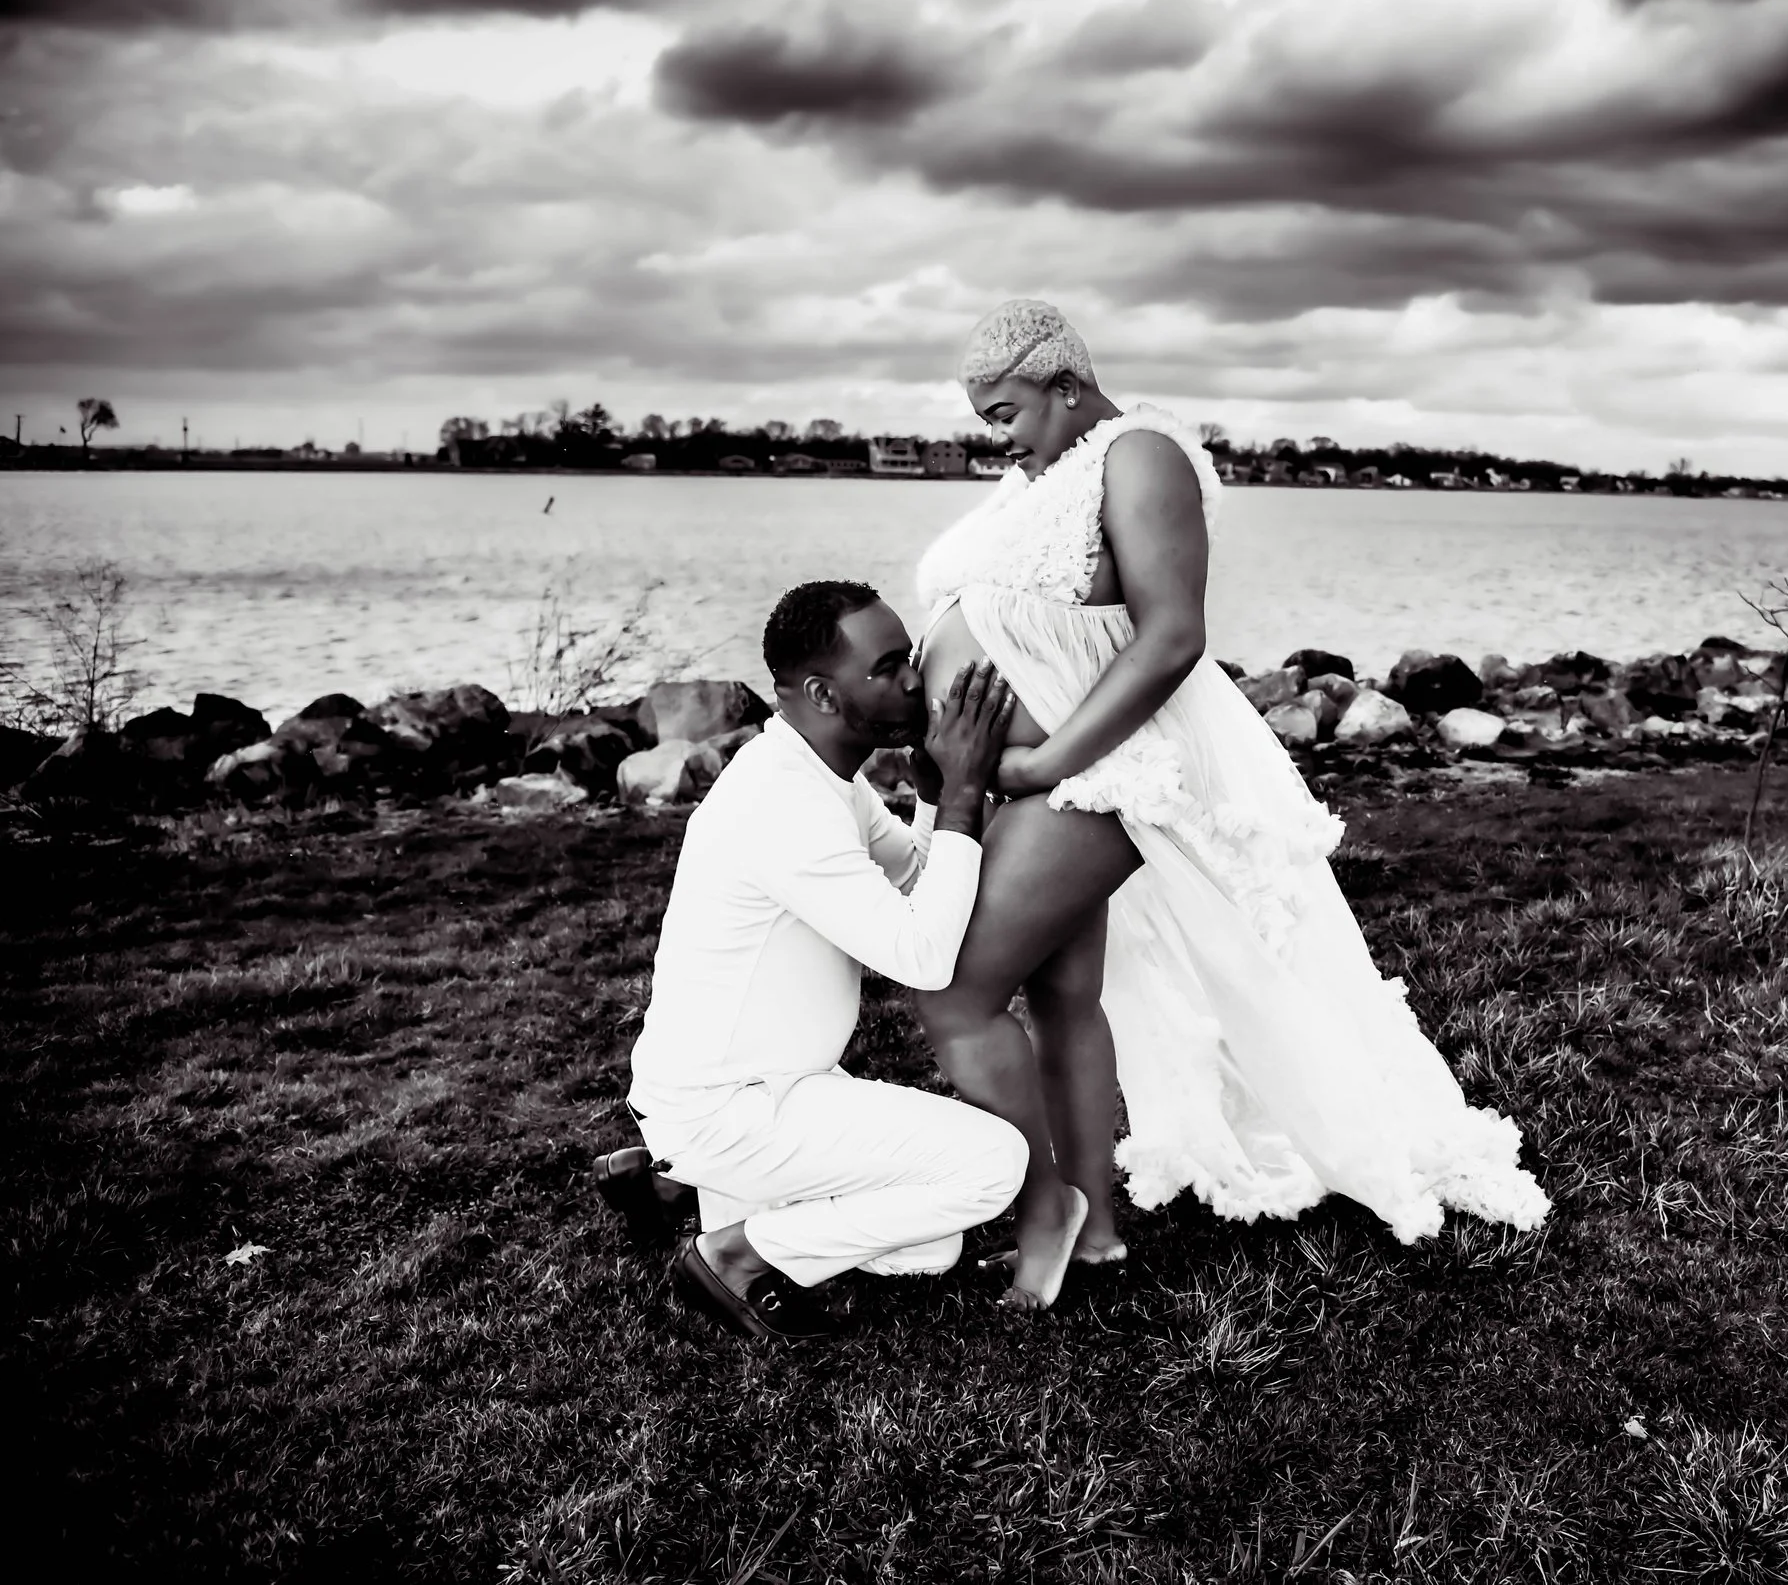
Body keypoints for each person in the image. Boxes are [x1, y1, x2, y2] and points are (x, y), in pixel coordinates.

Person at [909, 300, 1551, 1312]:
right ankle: (1098, 1229)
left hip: (1097, 775)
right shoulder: (1043, 475)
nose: (1000, 435)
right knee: (1062, 994)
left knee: (956, 987)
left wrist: (1043, 765)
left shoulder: (1141, 455)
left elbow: (1170, 638)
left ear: (1066, 384)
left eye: (1006, 412)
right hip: (1018, 771)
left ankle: (1047, 1214)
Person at [611, 580, 1023, 1342]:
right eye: (890, 666)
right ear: (822, 695)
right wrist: (966, 791)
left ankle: (687, 1184)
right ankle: (735, 1252)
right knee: (995, 1166)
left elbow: (912, 878)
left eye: (913, 658)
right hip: (734, 1106)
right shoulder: (782, 802)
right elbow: (923, 954)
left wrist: (933, 793)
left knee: (933, 1246)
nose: (914, 679)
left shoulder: (823, 776)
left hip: (761, 1091)